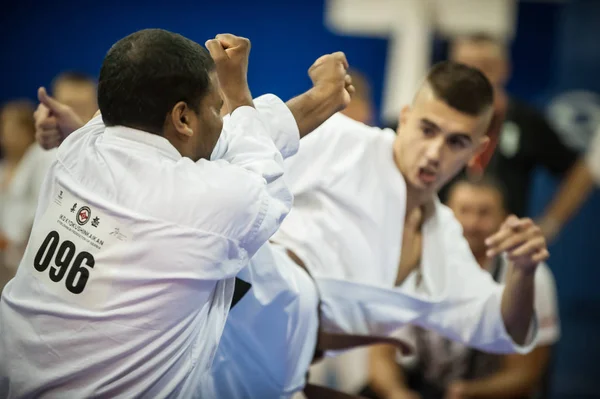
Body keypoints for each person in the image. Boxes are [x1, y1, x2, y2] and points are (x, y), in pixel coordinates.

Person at [31, 61, 547, 399]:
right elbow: (209, 151)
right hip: (238, 295)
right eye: (427, 130)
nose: (435, 153)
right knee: (242, 222)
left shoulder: (444, 245)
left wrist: (522, 272)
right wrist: (87, 138)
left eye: (457, 142)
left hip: (275, 367)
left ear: (478, 152)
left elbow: (508, 331)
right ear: (406, 117)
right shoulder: (345, 140)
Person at [0, 29, 352, 398]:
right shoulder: (198, 202)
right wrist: (237, 91)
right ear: (182, 118)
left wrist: (322, 99)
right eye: (217, 108)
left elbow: (230, 140)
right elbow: (257, 168)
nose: (222, 120)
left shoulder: (78, 148)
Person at [365, 177, 560, 399]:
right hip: (424, 387)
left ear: (504, 218)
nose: (472, 223)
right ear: (445, 216)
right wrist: (396, 393)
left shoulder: (526, 274)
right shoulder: (413, 261)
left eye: (484, 213)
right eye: (464, 211)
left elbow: (527, 374)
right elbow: (380, 355)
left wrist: (470, 393)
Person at [440, 33, 580, 241]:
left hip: (503, 247)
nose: (476, 76)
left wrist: (550, 223)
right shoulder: (434, 121)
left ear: (504, 69)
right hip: (439, 240)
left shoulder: (527, 121)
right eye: (466, 67)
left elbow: (579, 170)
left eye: (487, 66)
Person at [0, 100, 55, 289]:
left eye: (14, 130)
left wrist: (12, 238)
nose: (8, 136)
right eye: (5, 129)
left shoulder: (39, 157)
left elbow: (41, 204)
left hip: (25, 248)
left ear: (27, 131)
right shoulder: (3, 166)